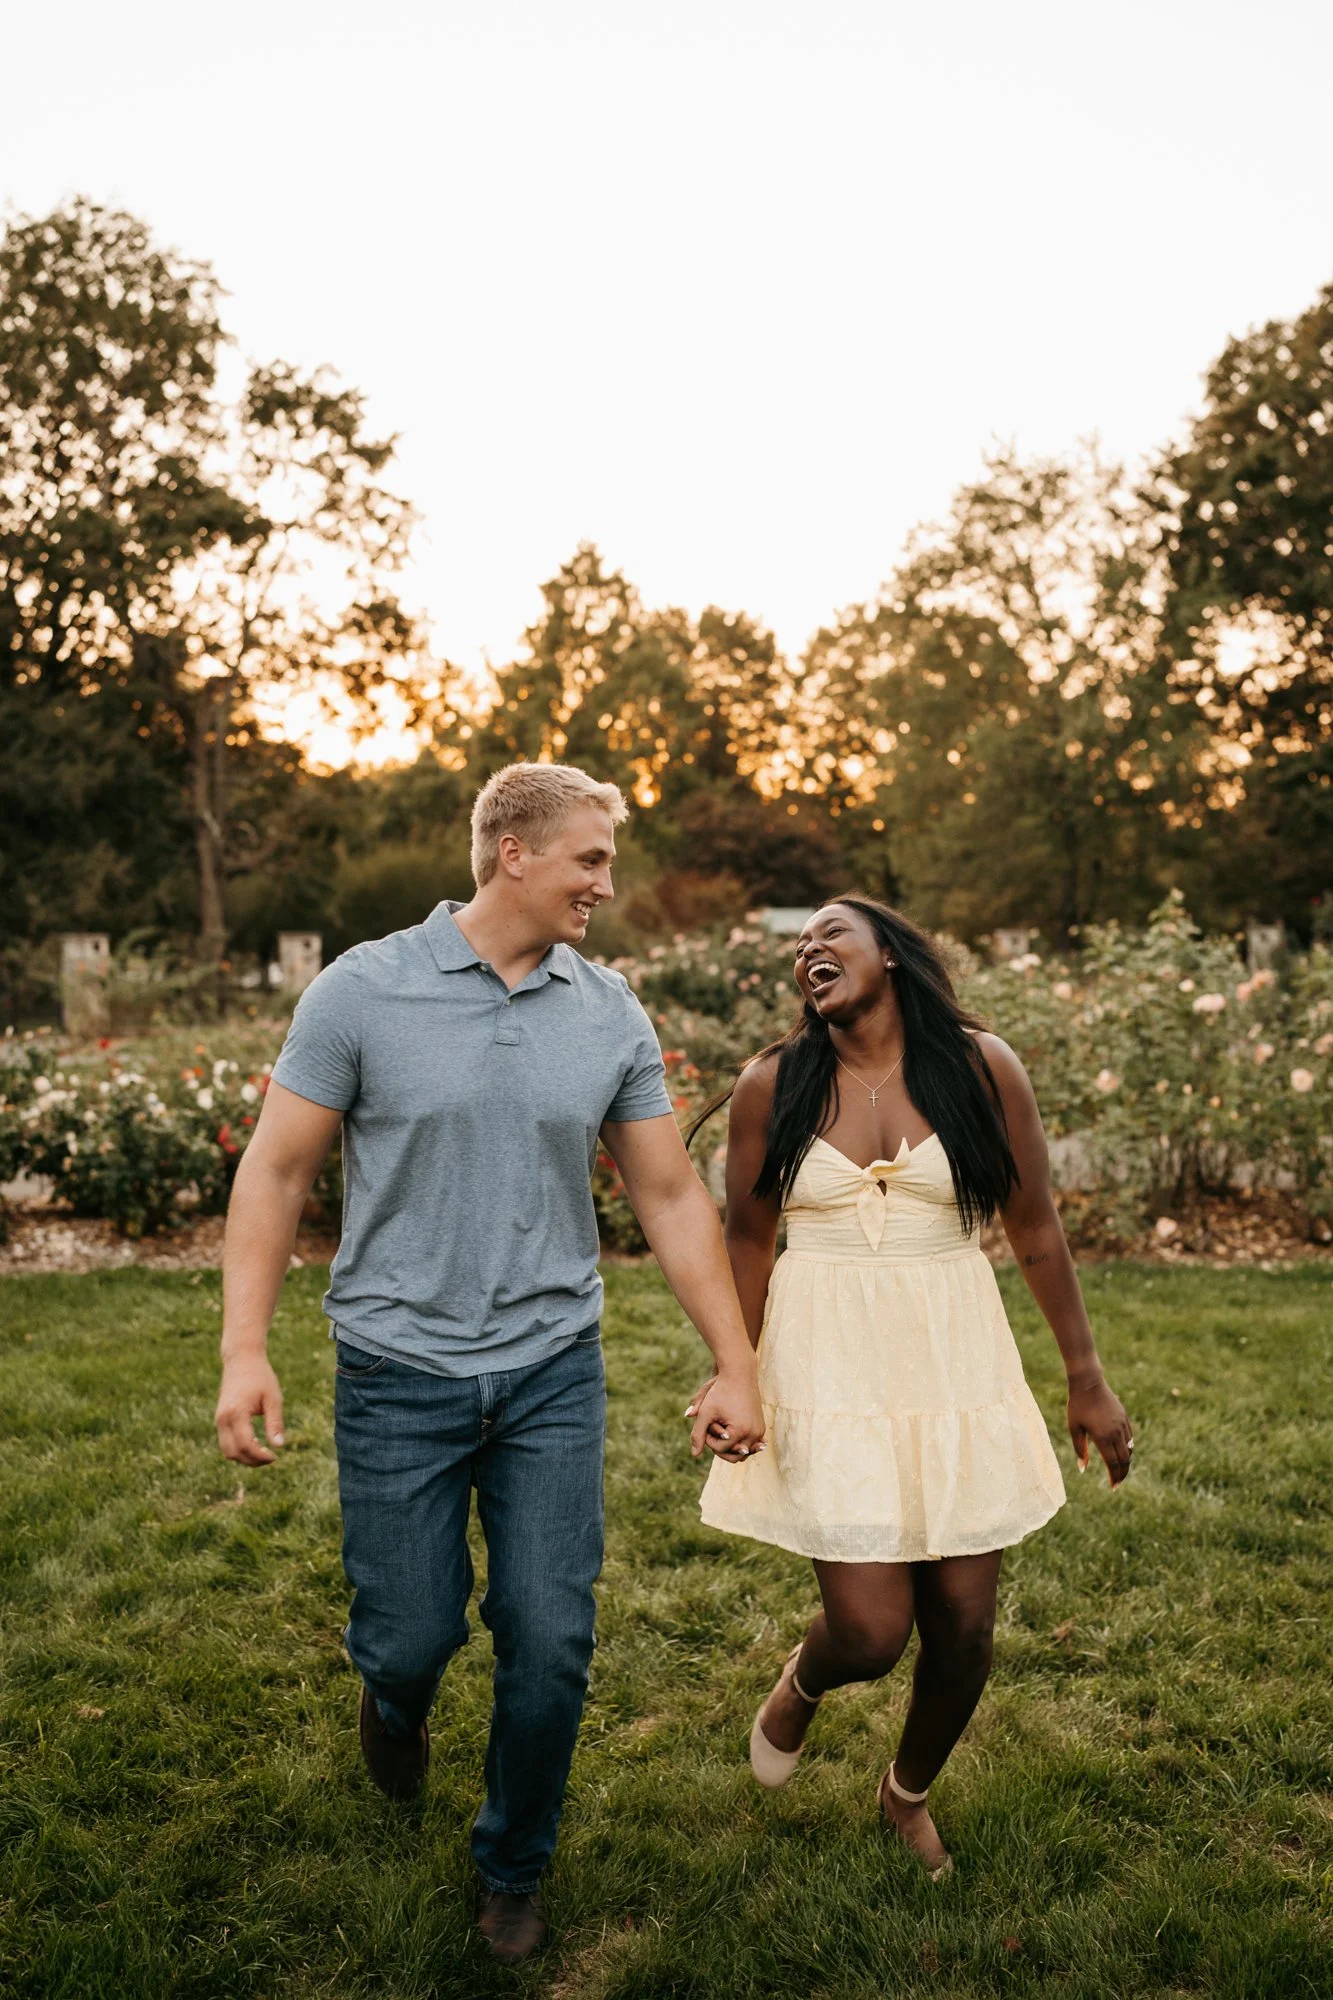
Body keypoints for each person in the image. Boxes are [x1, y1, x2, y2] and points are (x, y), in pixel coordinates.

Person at [214, 762, 764, 1965]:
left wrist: (737, 1360)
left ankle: (513, 1862)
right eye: (589, 860)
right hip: (396, 1366)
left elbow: (669, 1195)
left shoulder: (606, 1008)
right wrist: (244, 1348)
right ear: (511, 853)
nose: (604, 885)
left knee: (549, 1630)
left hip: (550, 1370)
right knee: (412, 1631)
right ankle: (392, 1693)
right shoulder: (363, 990)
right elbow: (275, 1170)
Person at [693, 896, 1132, 1878]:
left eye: (830, 935)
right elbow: (748, 1236)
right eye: (799, 947)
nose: (810, 950)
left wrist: (1085, 1376)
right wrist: (736, 1367)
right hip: (825, 1360)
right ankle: (805, 1681)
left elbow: (1033, 1224)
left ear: (886, 953)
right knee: (870, 1627)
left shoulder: (982, 1066)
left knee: (965, 1624)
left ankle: (905, 1792)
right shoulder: (774, 1082)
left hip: (952, 1352)